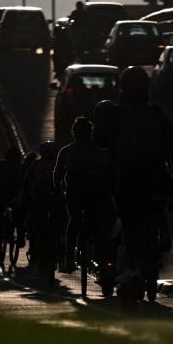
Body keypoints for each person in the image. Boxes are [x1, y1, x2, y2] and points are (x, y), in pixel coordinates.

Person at [110, 66, 173, 299]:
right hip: (153, 178)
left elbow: (103, 143)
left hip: (126, 180)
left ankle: (124, 258)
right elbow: (172, 144)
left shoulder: (117, 114)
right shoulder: (155, 113)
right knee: (165, 199)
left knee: (124, 220)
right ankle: (163, 232)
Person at [53, 117, 110, 273]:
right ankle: (103, 260)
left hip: (74, 193)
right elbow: (106, 175)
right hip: (94, 193)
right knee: (98, 224)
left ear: (74, 133)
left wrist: (58, 189)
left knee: (74, 220)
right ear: (90, 133)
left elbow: (57, 174)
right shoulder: (99, 153)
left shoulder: (66, 151)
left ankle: (69, 257)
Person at [23, 141, 65, 279]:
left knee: (36, 228)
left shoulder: (37, 164)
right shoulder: (59, 164)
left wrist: (25, 198)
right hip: (56, 200)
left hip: (40, 200)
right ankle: (62, 251)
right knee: (61, 225)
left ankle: (36, 252)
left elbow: (27, 182)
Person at [0, 147, 24, 246]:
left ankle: (0, 234)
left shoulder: (0, 164)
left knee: (0, 213)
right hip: (17, 194)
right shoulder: (21, 166)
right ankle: (21, 237)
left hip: (3, 192)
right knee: (19, 216)